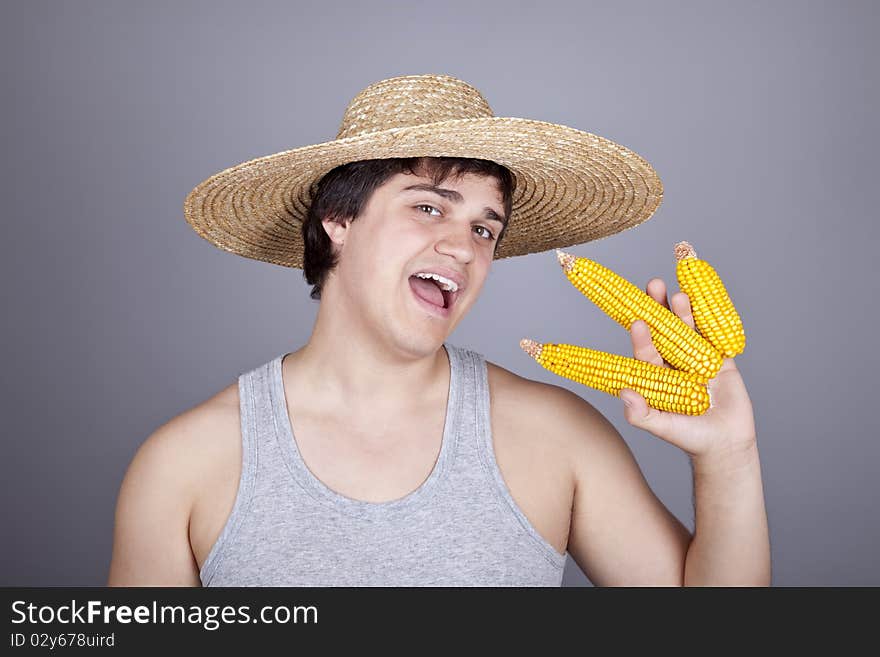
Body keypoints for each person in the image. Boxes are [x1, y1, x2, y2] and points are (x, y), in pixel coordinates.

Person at [107, 74, 770, 586]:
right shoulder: (183, 465)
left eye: (485, 227)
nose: (464, 246)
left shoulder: (556, 437)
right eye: (429, 206)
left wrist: (729, 454)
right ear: (339, 220)